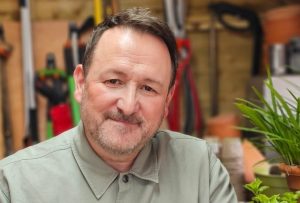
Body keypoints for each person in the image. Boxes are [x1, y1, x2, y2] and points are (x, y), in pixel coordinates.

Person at [0, 8, 238, 203]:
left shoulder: (201, 169)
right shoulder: (14, 185)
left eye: (148, 88)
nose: (128, 105)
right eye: (114, 81)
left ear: (167, 101)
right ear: (81, 83)